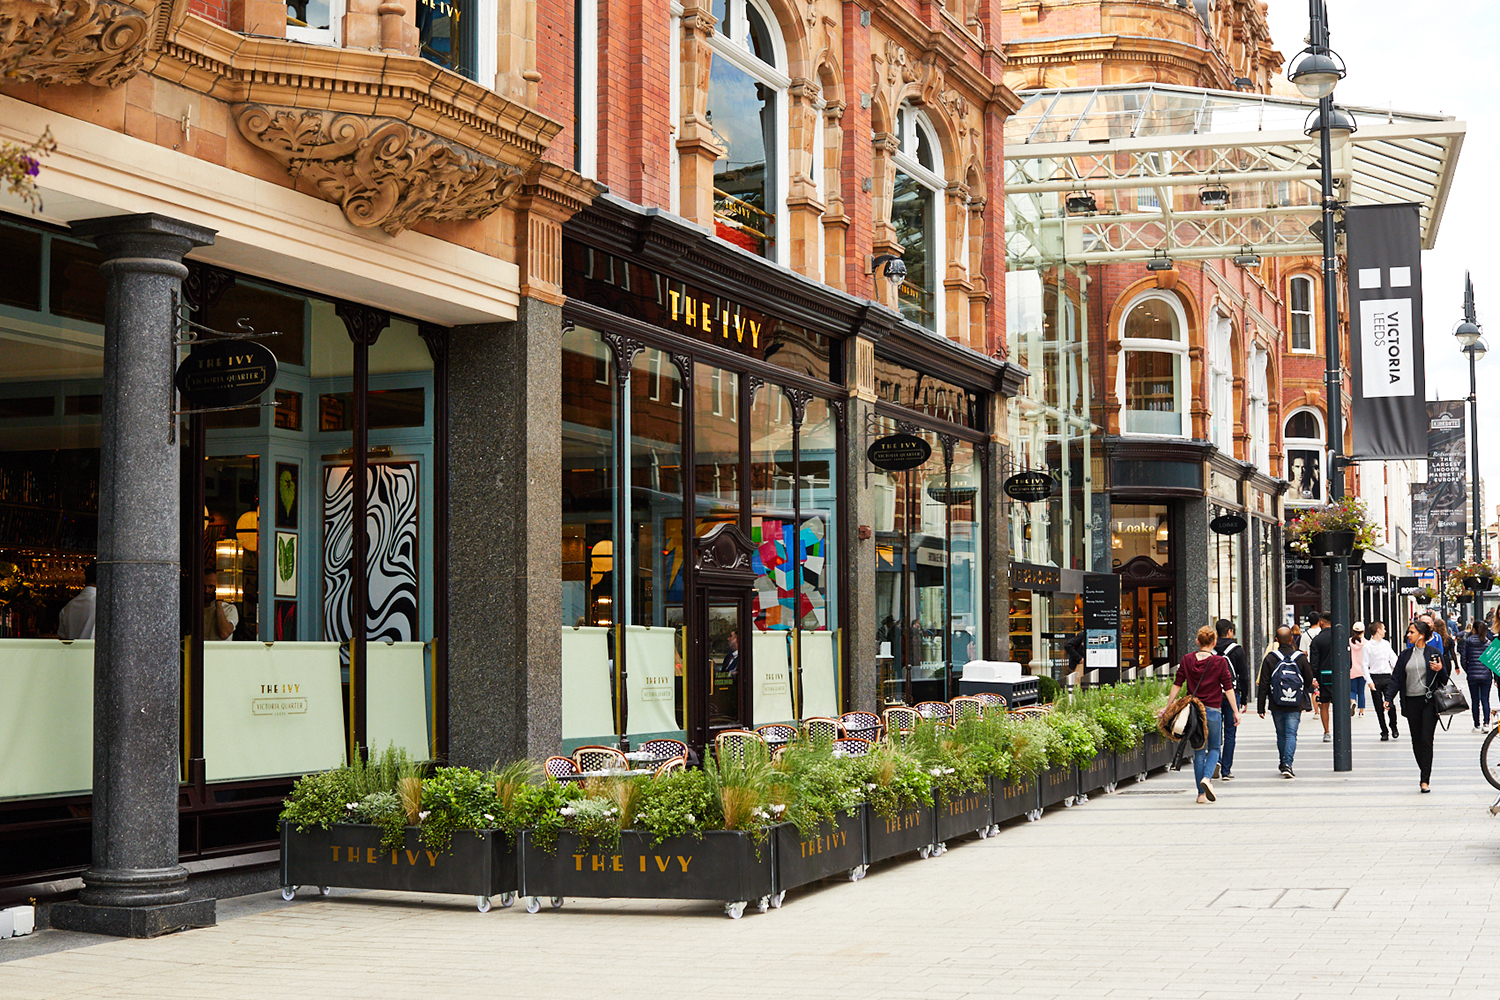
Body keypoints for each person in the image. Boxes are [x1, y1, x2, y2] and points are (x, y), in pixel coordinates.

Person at [1165, 624, 1240, 804]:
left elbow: (1177, 684)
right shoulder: (1219, 662)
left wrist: (1168, 706)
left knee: (1199, 751)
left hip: (1193, 712)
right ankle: (1207, 778)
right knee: (1214, 748)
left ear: (1198, 641)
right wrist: (1236, 712)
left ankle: (1200, 794)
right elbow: (1228, 688)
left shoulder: (1187, 659)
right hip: (1213, 710)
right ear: (1214, 642)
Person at [1384, 620, 1449, 793]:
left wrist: (1440, 669)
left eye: (1411, 632)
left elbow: (1444, 679)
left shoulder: (1433, 653)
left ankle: (1424, 780)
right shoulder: (1405, 655)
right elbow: (1396, 678)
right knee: (1416, 742)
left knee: (1426, 740)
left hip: (1429, 702)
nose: (1408, 635)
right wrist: (1388, 698)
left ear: (1421, 634)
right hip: (1411, 702)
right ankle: (1424, 769)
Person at [1257, 625, 1318, 778]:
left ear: (1276, 640)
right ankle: (1287, 763)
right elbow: (1309, 679)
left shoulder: (1270, 658)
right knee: (1291, 733)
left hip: (1276, 702)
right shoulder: (1300, 658)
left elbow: (1264, 683)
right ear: (1291, 639)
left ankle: (1283, 761)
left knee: (1281, 734)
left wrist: (1261, 707)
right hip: (1295, 702)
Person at [1213, 619, 1250, 780]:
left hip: (1212, 695)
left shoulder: (1211, 649)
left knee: (1215, 731)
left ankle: (1216, 760)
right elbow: (1244, 675)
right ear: (1229, 632)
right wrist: (1244, 698)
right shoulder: (1237, 650)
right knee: (1230, 732)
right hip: (1231, 694)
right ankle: (1226, 770)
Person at [1363, 621, 1399, 741]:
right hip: (1375, 677)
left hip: (1387, 677)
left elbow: (1393, 659)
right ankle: (1384, 731)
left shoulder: (1386, 644)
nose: (1385, 631)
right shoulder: (1367, 646)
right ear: (1378, 630)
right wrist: (1369, 680)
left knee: (1391, 705)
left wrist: (1400, 671)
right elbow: (1364, 665)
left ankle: (1393, 726)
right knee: (1379, 708)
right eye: (1383, 628)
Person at [1459, 616, 1493, 733]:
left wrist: (1468, 670)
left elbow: (1463, 659)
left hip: (1472, 675)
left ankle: (1476, 724)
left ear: (1473, 629)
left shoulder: (1468, 642)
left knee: (1475, 700)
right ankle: (1486, 723)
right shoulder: (1488, 643)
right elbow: (1492, 661)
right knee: (1485, 699)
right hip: (1486, 675)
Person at [1307, 611, 1334, 742]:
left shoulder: (1317, 640)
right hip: (1339, 675)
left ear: (1321, 622)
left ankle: (1327, 731)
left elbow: (1314, 662)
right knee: (1340, 703)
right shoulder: (1339, 636)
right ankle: (1342, 729)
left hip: (1324, 676)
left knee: (1324, 704)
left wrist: (1314, 677)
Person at [57, 561, 98, 640]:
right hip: (93, 651)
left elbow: (63, 640)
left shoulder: (69, 606)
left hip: (73, 651)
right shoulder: (103, 605)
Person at [204, 570, 238, 641]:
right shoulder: (195, 609)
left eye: (211, 587)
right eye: (204, 586)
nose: (207, 590)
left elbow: (224, 634)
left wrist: (218, 603)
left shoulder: (229, 609)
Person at [1348, 622, 1366, 716]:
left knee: (1352, 690)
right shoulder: (1366, 643)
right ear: (1363, 631)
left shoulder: (1349, 641)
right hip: (1363, 670)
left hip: (1352, 670)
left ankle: (1353, 701)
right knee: (1361, 691)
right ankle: (1361, 712)